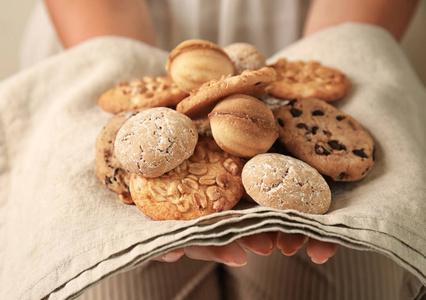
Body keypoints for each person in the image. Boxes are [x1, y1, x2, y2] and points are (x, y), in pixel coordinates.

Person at [21, 0, 421, 299]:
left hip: (326, 26)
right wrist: (117, 57)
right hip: (101, 25)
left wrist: (346, 44)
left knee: (335, 285)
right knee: (108, 280)